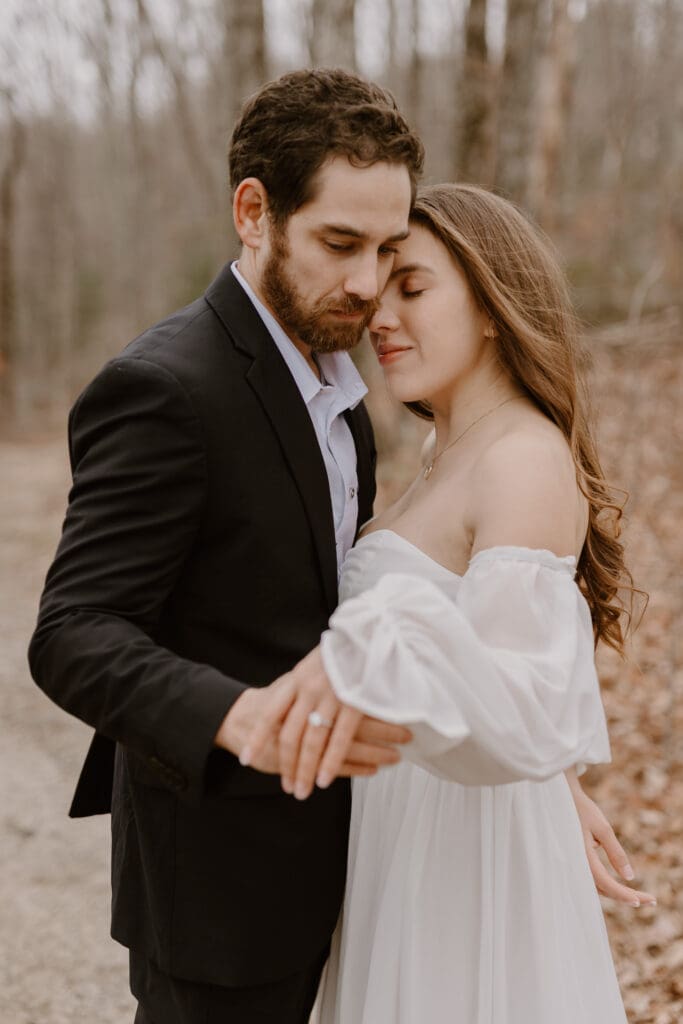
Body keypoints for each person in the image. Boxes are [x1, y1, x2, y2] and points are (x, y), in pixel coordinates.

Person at [29, 68, 645, 1023]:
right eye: (339, 245)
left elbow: (458, 630)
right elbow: (72, 630)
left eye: (393, 258)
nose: (366, 291)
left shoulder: (350, 405)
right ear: (253, 212)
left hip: (365, 866)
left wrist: (536, 782)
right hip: (222, 893)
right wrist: (237, 719)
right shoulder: (167, 389)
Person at [241, 184, 656, 1023]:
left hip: (462, 861)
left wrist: (535, 775)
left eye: (414, 288)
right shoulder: (442, 449)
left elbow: (526, 705)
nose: (380, 316)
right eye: (379, 290)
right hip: (403, 829)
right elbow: (491, 657)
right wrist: (558, 787)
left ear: (494, 305)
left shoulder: (521, 459)